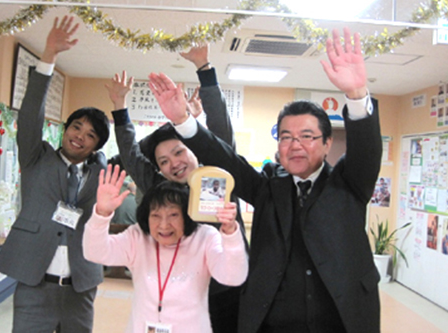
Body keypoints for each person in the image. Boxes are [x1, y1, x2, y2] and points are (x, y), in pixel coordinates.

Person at [149, 27, 382, 333]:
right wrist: (183, 121)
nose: (295, 145)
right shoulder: (267, 187)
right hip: (272, 320)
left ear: (327, 144)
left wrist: (356, 94)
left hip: (340, 318)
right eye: (286, 137)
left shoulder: (349, 184)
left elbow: (366, 150)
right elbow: (226, 160)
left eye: (307, 136)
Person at [106, 43, 247, 332]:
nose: (174, 163)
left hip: (224, 292)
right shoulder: (161, 188)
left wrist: (204, 68)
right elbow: (132, 157)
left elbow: (220, 127)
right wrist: (120, 108)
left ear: (193, 149)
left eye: (179, 152)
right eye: (164, 161)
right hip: (176, 295)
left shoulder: (217, 173)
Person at [0, 16, 110, 332]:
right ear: (64, 130)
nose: (79, 136)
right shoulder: (36, 156)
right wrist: (49, 58)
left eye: (90, 135)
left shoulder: (101, 172)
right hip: (34, 283)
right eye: (76, 127)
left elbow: (133, 158)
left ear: (96, 144)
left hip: (81, 287)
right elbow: (30, 114)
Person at [83, 164, 248, 333]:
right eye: (155, 215)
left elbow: (233, 277)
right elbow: (95, 252)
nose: (163, 225)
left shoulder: (204, 237)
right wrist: (102, 214)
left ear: (187, 214)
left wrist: (230, 233)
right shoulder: (138, 237)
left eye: (173, 215)